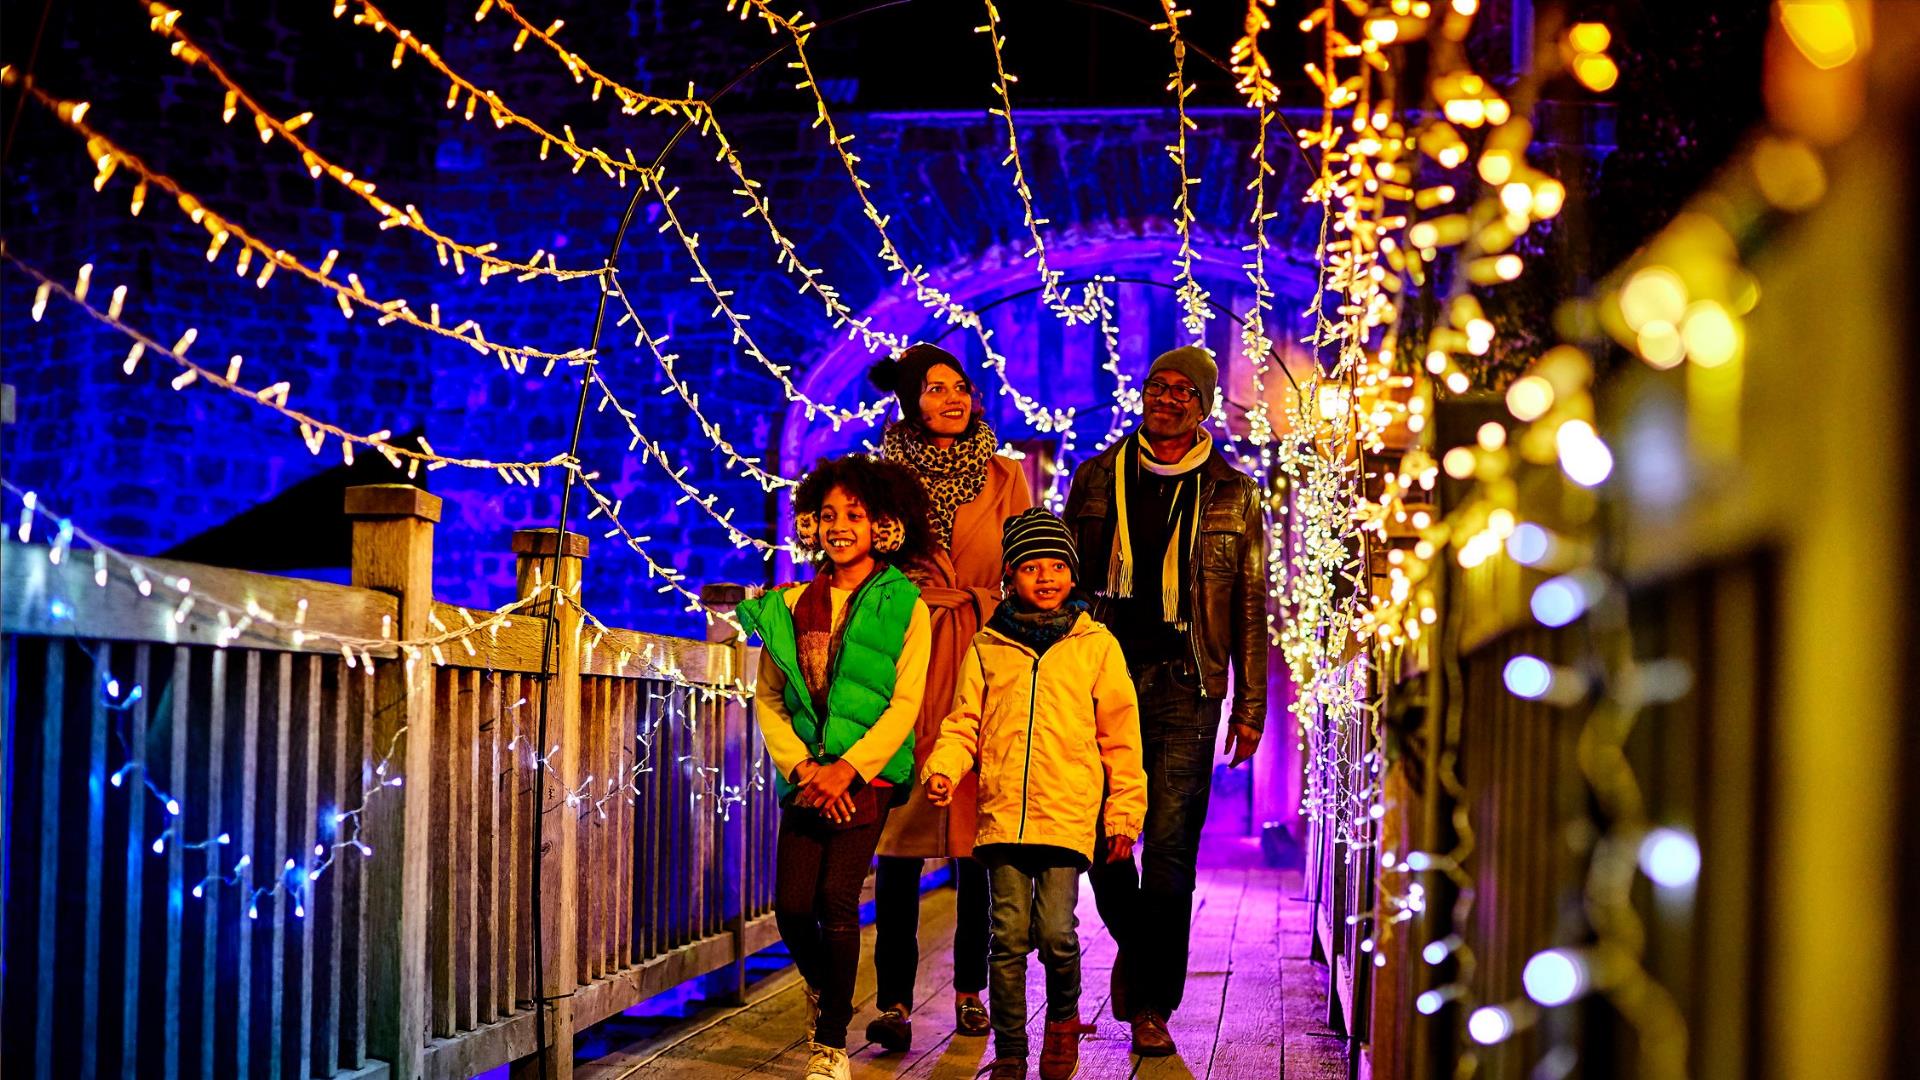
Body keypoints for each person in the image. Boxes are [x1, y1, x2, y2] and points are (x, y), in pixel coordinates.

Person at [1063, 346, 1268, 1057]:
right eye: (1159, 385)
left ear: (1205, 405)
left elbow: (1250, 606)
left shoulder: (1234, 494)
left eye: (1185, 390)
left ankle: (1152, 1004)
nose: (1168, 398)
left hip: (1188, 680)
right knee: (1098, 835)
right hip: (1102, 675)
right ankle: (1143, 946)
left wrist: (1251, 705)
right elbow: (1063, 582)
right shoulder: (1095, 478)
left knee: (1172, 848)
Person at [921, 508, 1147, 1080]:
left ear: (1073, 575)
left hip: (1067, 817)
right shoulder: (988, 646)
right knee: (1007, 936)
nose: (1045, 578)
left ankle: (1064, 1021)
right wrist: (944, 769)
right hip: (1001, 820)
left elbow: (1120, 737)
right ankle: (1013, 1049)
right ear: (1010, 579)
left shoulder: (1096, 646)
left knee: (1056, 934)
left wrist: (1123, 816)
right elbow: (962, 722)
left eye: (1056, 566)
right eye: (1029, 567)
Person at [736, 455, 936, 1080]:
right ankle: (830, 993)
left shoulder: (906, 605)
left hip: (865, 780)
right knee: (793, 907)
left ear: (882, 525)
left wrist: (847, 768)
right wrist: (802, 770)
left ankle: (829, 1046)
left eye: (856, 514)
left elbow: (907, 702)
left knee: (838, 900)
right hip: (805, 780)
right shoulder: (789, 605)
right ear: (811, 525)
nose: (841, 525)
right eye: (829, 515)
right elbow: (770, 697)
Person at [865, 342, 1032, 1051]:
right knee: (898, 839)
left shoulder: (1005, 474)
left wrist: (993, 611)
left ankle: (971, 991)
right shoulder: (879, 477)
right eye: (935, 389)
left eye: (959, 386)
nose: (952, 398)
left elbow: (1029, 565)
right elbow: (853, 562)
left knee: (977, 842)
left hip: (982, 654)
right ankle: (896, 999)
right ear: (911, 402)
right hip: (903, 656)